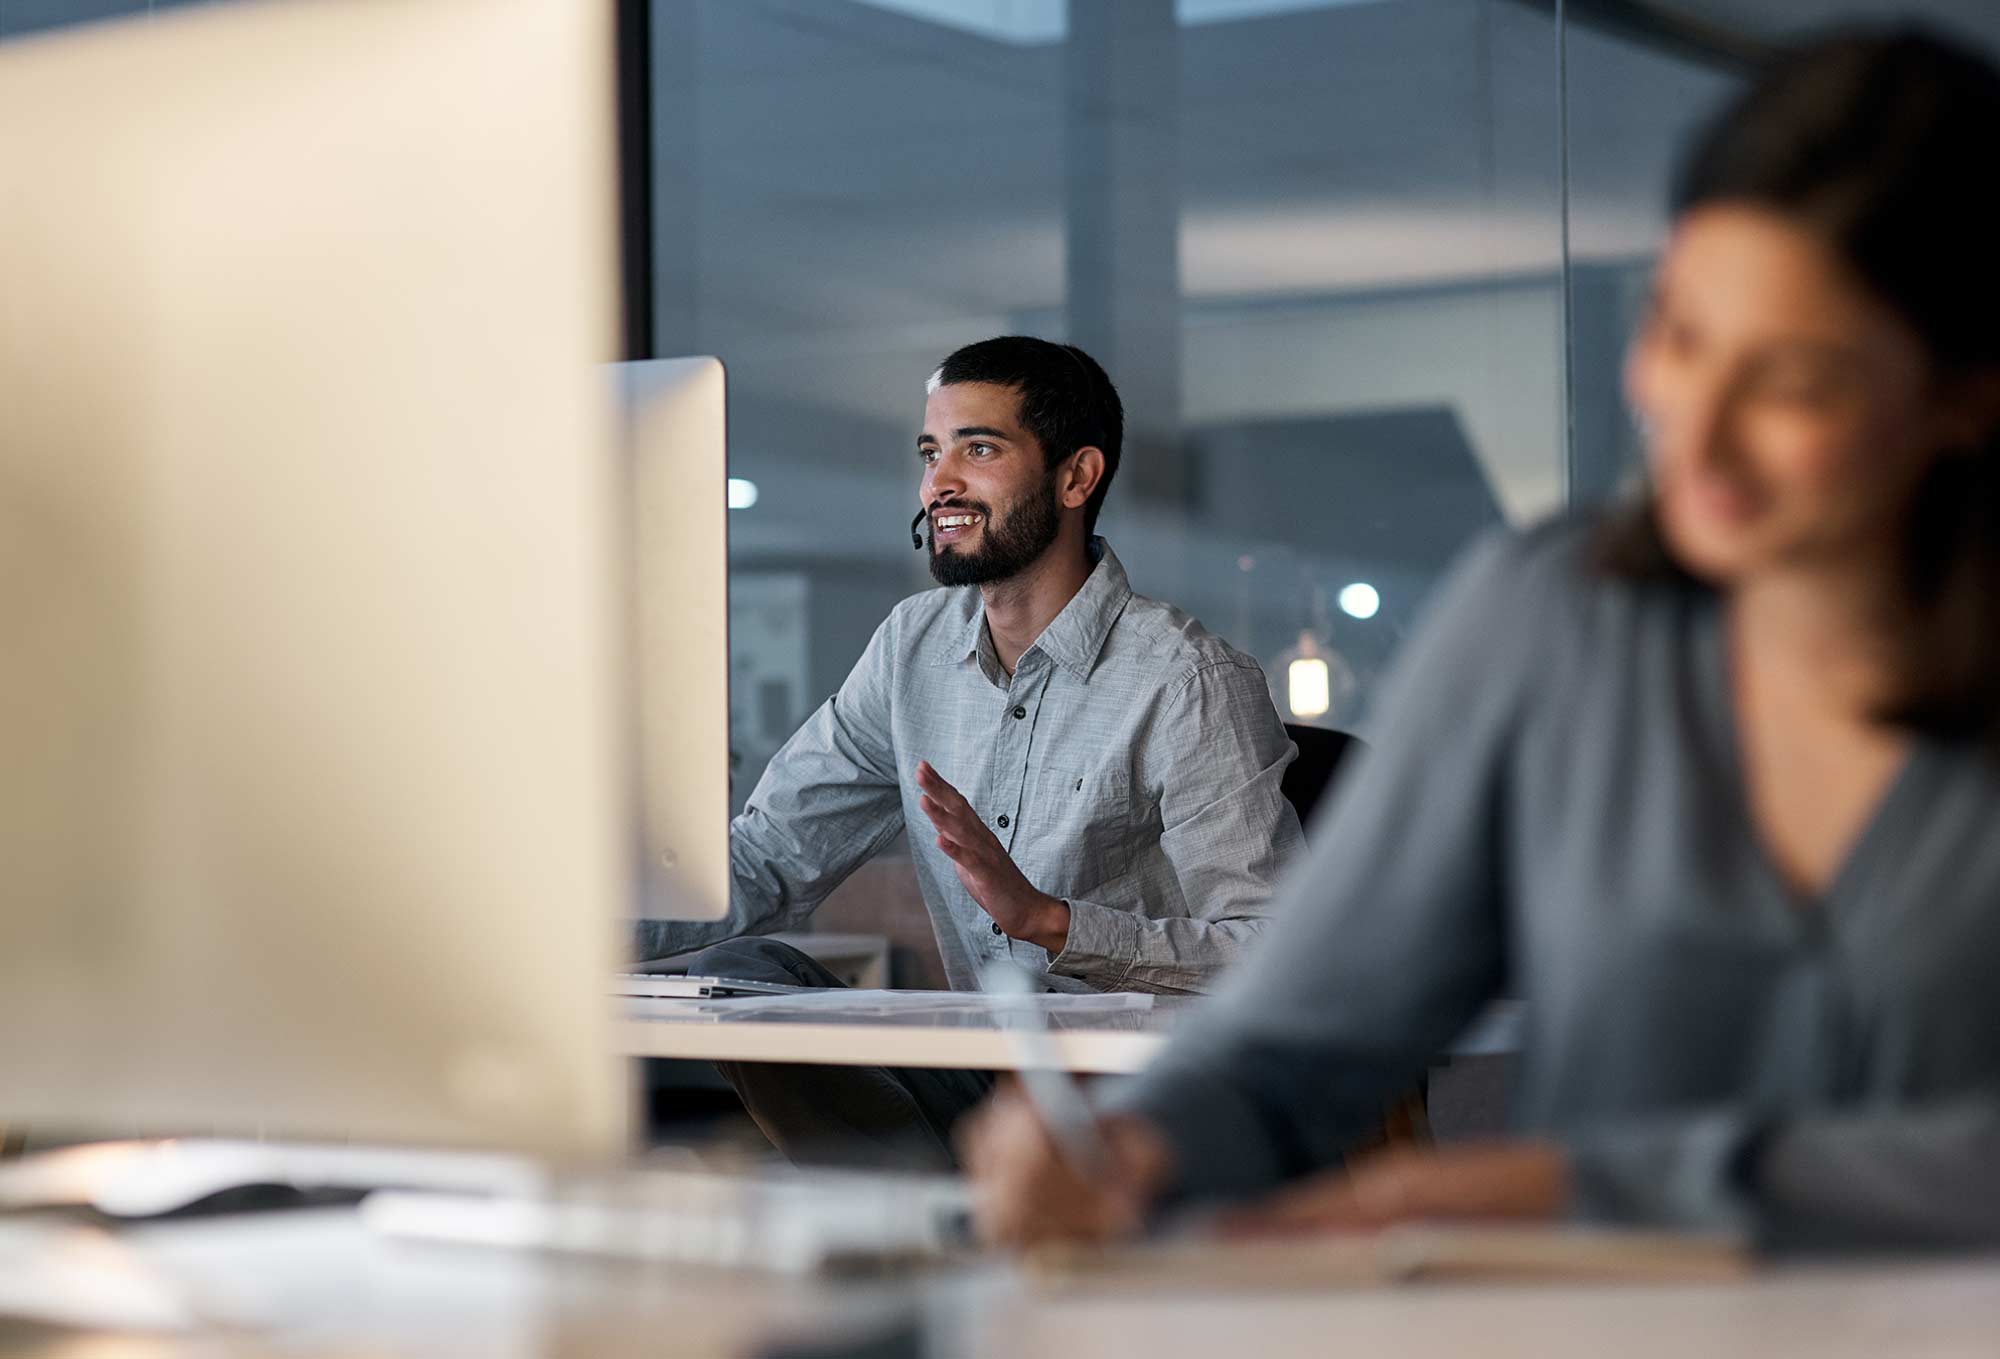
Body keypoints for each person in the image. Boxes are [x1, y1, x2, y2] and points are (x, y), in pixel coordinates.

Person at [966, 28, 2000, 1253]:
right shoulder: (1550, 622)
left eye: (1792, 385)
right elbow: (1302, 1037)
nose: (1693, 435)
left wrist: (1571, 1191)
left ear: (1961, 394)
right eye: (1677, 333)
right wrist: (1139, 1147)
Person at [640, 336, 1304, 1170]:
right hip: (978, 1071)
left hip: (1137, 1097)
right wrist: (567, 933)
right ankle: (965, 1212)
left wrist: (1052, 923)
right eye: (930, 452)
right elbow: (770, 857)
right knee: (747, 975)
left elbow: (1274, 954)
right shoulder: (910, 647)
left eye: (978, 448)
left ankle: (964, 1214)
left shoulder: (1188, 680)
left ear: (1076, 477)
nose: (939, 483)